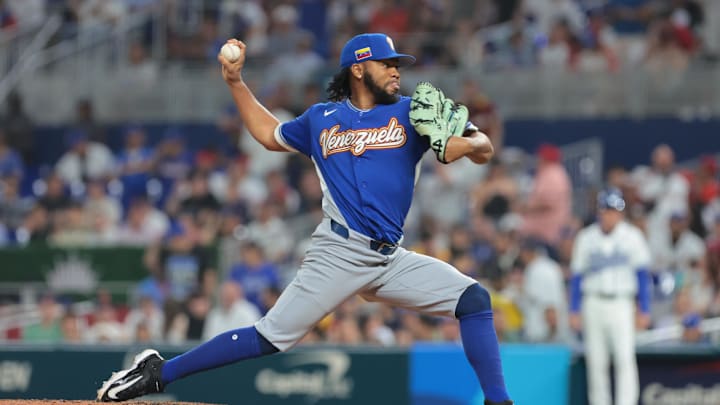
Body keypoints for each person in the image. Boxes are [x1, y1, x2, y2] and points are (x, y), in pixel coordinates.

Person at [97, 33, 513, 405]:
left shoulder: (412, 112)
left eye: (397, 65)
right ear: (358, 68)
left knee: (473, 300)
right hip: (339, 250)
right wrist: (235, 83)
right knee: (269, 338)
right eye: (386, 63)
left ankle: (498, 401)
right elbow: (269, 134)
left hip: (390, 259)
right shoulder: (321, 118)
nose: (395, 71)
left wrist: (461, 145)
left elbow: (484, 145)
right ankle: (159, 372)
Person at [569, 187, 651, 405]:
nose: (610, 214)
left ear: (621, 213)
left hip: (622, 303)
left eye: (615, 210)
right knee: (597, 362)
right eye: (607, 209)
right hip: (593, 302)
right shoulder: (586, 237)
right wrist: (574, 309)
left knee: (625, 359)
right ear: (600, 211)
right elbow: (577, 277)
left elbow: (642, 275)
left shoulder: (632, 236)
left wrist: (644, 308)